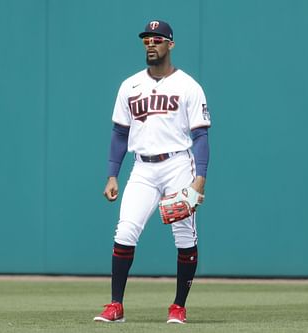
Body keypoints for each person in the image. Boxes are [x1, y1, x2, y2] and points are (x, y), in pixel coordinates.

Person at [93, 19, 211, 324]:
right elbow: (120, 133)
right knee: (125, 230)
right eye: (147, 39)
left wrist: (199, 180)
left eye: (157, 40)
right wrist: (112, 174)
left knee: (184, 234)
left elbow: (200, 137)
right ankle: (115, 305)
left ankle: (178, 306)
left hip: (178, 164)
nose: (151, 44)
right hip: (143, 166)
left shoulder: (189, 86)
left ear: (170, 45)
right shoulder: (130, 86)